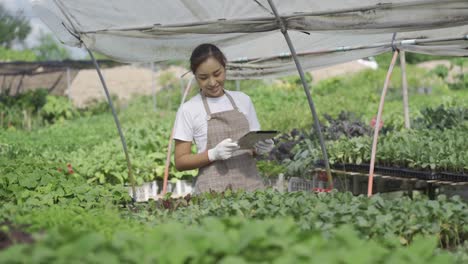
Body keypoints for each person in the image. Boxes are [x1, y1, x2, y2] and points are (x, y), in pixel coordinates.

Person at [173, 43, 274, 193]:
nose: (212, 82)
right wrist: (212, 154)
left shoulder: (243, 100)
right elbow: (180, 161)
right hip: (212, 193)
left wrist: (260, 148)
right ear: (195, 76)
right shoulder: (188, 109)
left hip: (251, 189)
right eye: (203, 77)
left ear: (225, 67)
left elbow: (251, 147)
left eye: (217, 74)